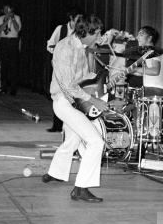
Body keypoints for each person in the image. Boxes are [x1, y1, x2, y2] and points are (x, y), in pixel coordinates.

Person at [42, 14, 119, 203]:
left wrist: (110, 81)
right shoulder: (64, 48)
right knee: (96, 142)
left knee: (72, 141)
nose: (99, 37)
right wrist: (93, 100)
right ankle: (81, 188)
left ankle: (56, 173)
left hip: (73, 101)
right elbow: (68, 85)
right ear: (87, 33)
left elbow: (85, 79)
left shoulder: (82, 48)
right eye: (97, 33)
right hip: (63, 102)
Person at [46, 6, 84, 132]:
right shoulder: (60, 29)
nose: (78, 23)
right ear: (71, 19)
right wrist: (57, 52)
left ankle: (67, 127)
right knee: (60, 94)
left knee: (71, 96)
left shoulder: (80, 33)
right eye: (76, 20)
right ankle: (56, 125)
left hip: (74, 68)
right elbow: (50, 43)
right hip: (61, 66)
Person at [130, 26, 163, 97]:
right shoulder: (148, 53)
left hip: (154, 90)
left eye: (141, 34)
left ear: (149, 38)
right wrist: (131, 71)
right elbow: (147, 72)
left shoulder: (154, 51)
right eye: (138, 35)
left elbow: (155, 71)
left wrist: (136, 69)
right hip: (150, 89)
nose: (138, 37)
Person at [0, 3, 21, 95]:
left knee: (13, 66)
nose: (5, 11)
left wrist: (12, 18)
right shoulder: (1, 18)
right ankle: (4, 87)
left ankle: (13, 88)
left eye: (7, 10)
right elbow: (0, 29)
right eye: (4, 10)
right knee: (4, 66)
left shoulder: (17, 17)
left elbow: (17, 28)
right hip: (4, 41)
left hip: (13, 42)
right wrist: (7, 20)